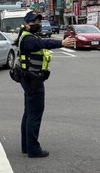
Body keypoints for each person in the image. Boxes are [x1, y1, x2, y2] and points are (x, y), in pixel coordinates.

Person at [14, 12, 75, 158]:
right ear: (27, 24)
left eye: (39, 21)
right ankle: (33, 149)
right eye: (34, 22)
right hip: (32, 80)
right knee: (34, 114)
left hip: (29, 78)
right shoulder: (28, 38)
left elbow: (41, 43)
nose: (38, 24)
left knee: (29, 113)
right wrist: (61, 43)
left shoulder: (28, 36)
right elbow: (42, 44)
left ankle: (26, 146)